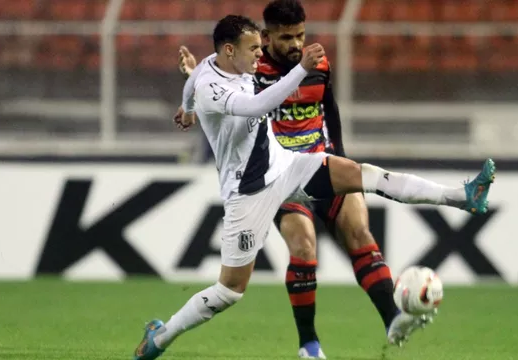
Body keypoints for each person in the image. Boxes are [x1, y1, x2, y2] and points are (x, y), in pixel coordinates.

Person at [134, 14, 495, 360]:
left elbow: (190, 78)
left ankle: (462, 196)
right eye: (253, 49)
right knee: (229, 291)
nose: (260, 54)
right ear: (230, 51)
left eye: (261, 47)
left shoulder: (214, 64)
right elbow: (258, 103)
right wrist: (301, 69)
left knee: (363, 174)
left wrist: (187, 109)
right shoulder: (213, 88)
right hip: (249, 193)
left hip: (286, 165)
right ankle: (161, 336)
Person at [174, 1, 436, 357]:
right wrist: (193, 85)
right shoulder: (250, 69)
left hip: (320, 160)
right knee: (303, 247)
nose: (296, 43)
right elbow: (219, 89)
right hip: (279, 173)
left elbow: (330, 109)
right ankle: (308, 343)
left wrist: (340, 157)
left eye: (300, 35)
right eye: (286, 37)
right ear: (266, 37)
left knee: (360, 234)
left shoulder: (319, 64)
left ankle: (392, 319)